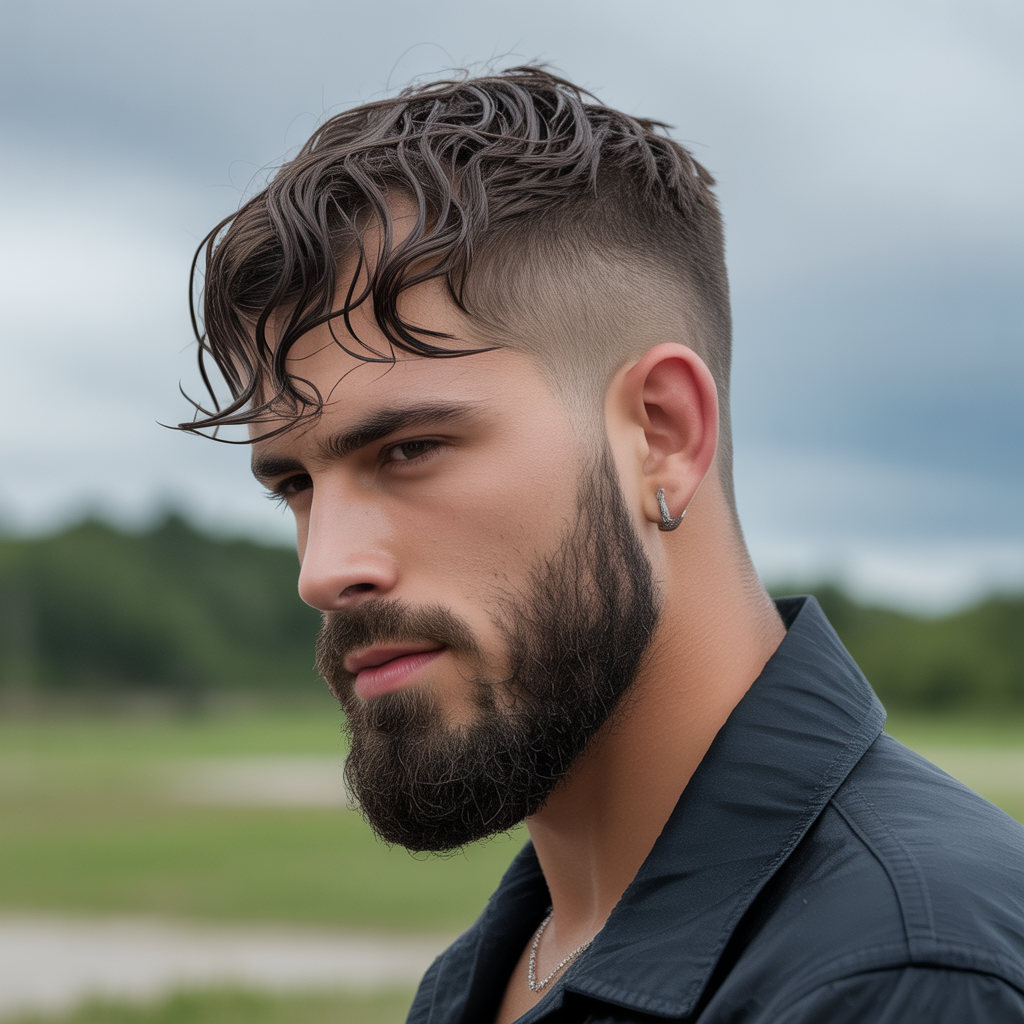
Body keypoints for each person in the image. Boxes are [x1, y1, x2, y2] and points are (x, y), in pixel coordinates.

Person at [180, 66, 1024, 1023]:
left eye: (409, 450)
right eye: (294, 485)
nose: (324, 570)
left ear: (661, 434)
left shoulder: (903, 975)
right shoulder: (484, 975)